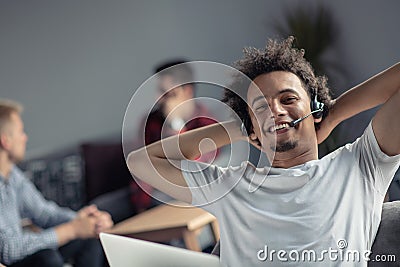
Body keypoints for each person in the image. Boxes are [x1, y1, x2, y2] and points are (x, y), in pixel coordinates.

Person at [127, 37, 400, 266]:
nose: (276, 110)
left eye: (289, 99)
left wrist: (333, 111)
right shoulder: (231, 185)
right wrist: (241, 127)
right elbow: (140, 161)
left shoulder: (361, 164)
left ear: (314, 107)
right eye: (261, 107)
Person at [92, 59, 218, 223]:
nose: (158, 98)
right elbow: (140, 166)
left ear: (186, 91)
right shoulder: (150, 122)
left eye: (166, 93)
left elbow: (190, 168)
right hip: (145, 194)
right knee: (97, 210)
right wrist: (141, 206)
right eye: (158, 91)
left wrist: (174, 123)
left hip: (179, 198)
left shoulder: (207, 125)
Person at [0, 99, 114, 267]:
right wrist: (72, 230)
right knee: (47, 258)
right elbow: (9, 250)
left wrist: (86, 222)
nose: (25, 137)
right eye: (20, 131)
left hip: (20, 256)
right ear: (5, 141)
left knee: (89, 238)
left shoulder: (13, 175)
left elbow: (44, 214)